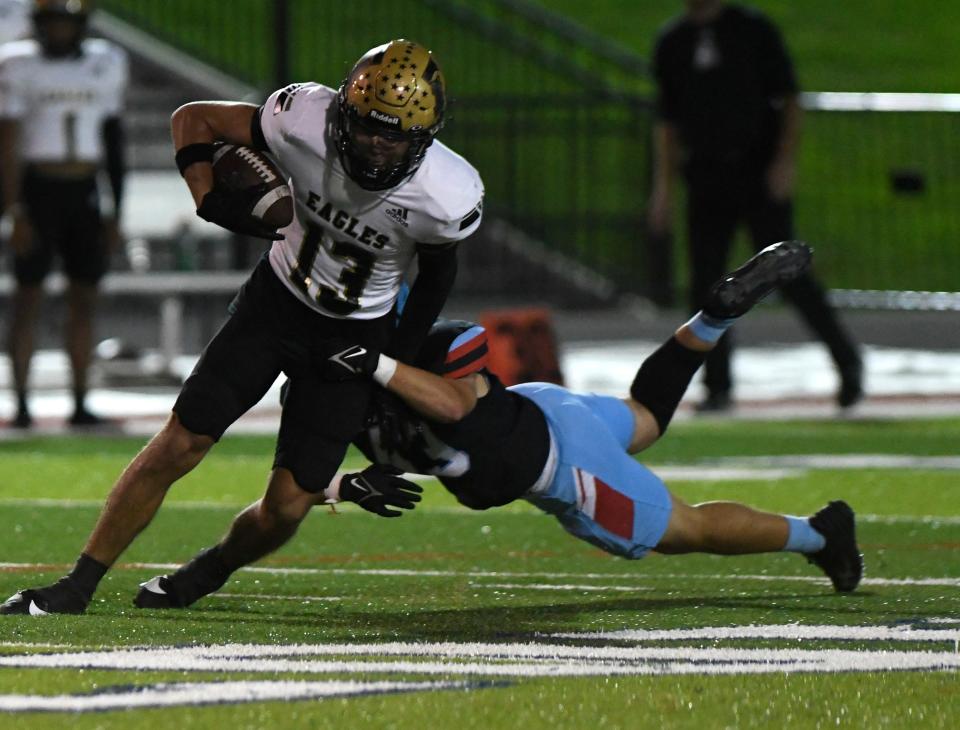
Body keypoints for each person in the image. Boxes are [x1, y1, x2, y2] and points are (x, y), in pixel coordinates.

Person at [0, 39, 483, 615]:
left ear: (425, 137)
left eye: (397, 134)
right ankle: (77, 583)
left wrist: (390, 372)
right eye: (368, 127)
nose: (379, 146)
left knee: (288, 505)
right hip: (275, 303)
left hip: (355, 335)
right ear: (343, 114)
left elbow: (433, 283)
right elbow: (193, 118)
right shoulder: (303, 117)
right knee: (181, 441)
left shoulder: (445, 194)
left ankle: (207, 571)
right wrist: (206, 195)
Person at [127, 241, 860, 612]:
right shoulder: (334, 384)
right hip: (546, 408)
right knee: (645, 417)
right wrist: (345, 486)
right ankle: (716, 317)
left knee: (689, 530)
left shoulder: (415, 356)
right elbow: (301, 485)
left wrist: (374, 364)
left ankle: (821, 532)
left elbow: (456, 403)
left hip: (556, 463)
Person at [647, 0, 862, 412]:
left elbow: (788, 99)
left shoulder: (751, 30)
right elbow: (668, 123)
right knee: (707, 284)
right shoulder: (673, 42)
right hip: (706, 176)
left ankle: (846, 361)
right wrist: (663, 189)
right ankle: (717, 385)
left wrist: (783, 162)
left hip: (755, 171)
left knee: (789, 273)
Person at [0, 0, 127, 427]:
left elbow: (113, 138)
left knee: (84, 298)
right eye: (52, 22)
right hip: (39, 188)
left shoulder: (104, 62)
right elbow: (9, 142)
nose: (59, 31)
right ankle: (20, 401)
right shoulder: (18, 65)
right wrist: (14, 208)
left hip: (85, 188)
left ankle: (80, 398)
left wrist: (115, 209)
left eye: (66, 23)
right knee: (27, 298)